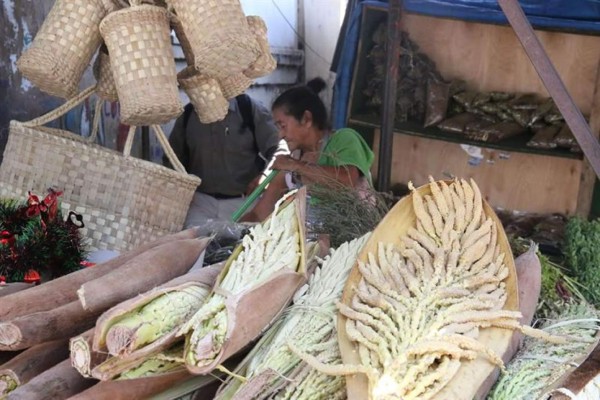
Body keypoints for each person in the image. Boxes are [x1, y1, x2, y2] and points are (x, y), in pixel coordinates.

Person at [241, 78, 375, 223]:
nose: (281, 135)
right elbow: (260, 214)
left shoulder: (344, 138)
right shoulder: (290, 163)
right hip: (315, 244)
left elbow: (347, 181)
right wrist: (234, 231)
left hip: (356, 240)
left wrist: (296, 166)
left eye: (283, 125)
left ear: (306, 119)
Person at [166, 94, 283, 227]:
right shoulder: (187, 114)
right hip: (200, 203)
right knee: (197, 245)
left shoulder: (249, 109)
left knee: (244, 245)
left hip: (244, 202)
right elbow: (172, 158)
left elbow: (278, 149)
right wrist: (180, 190)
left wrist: (265, 176)